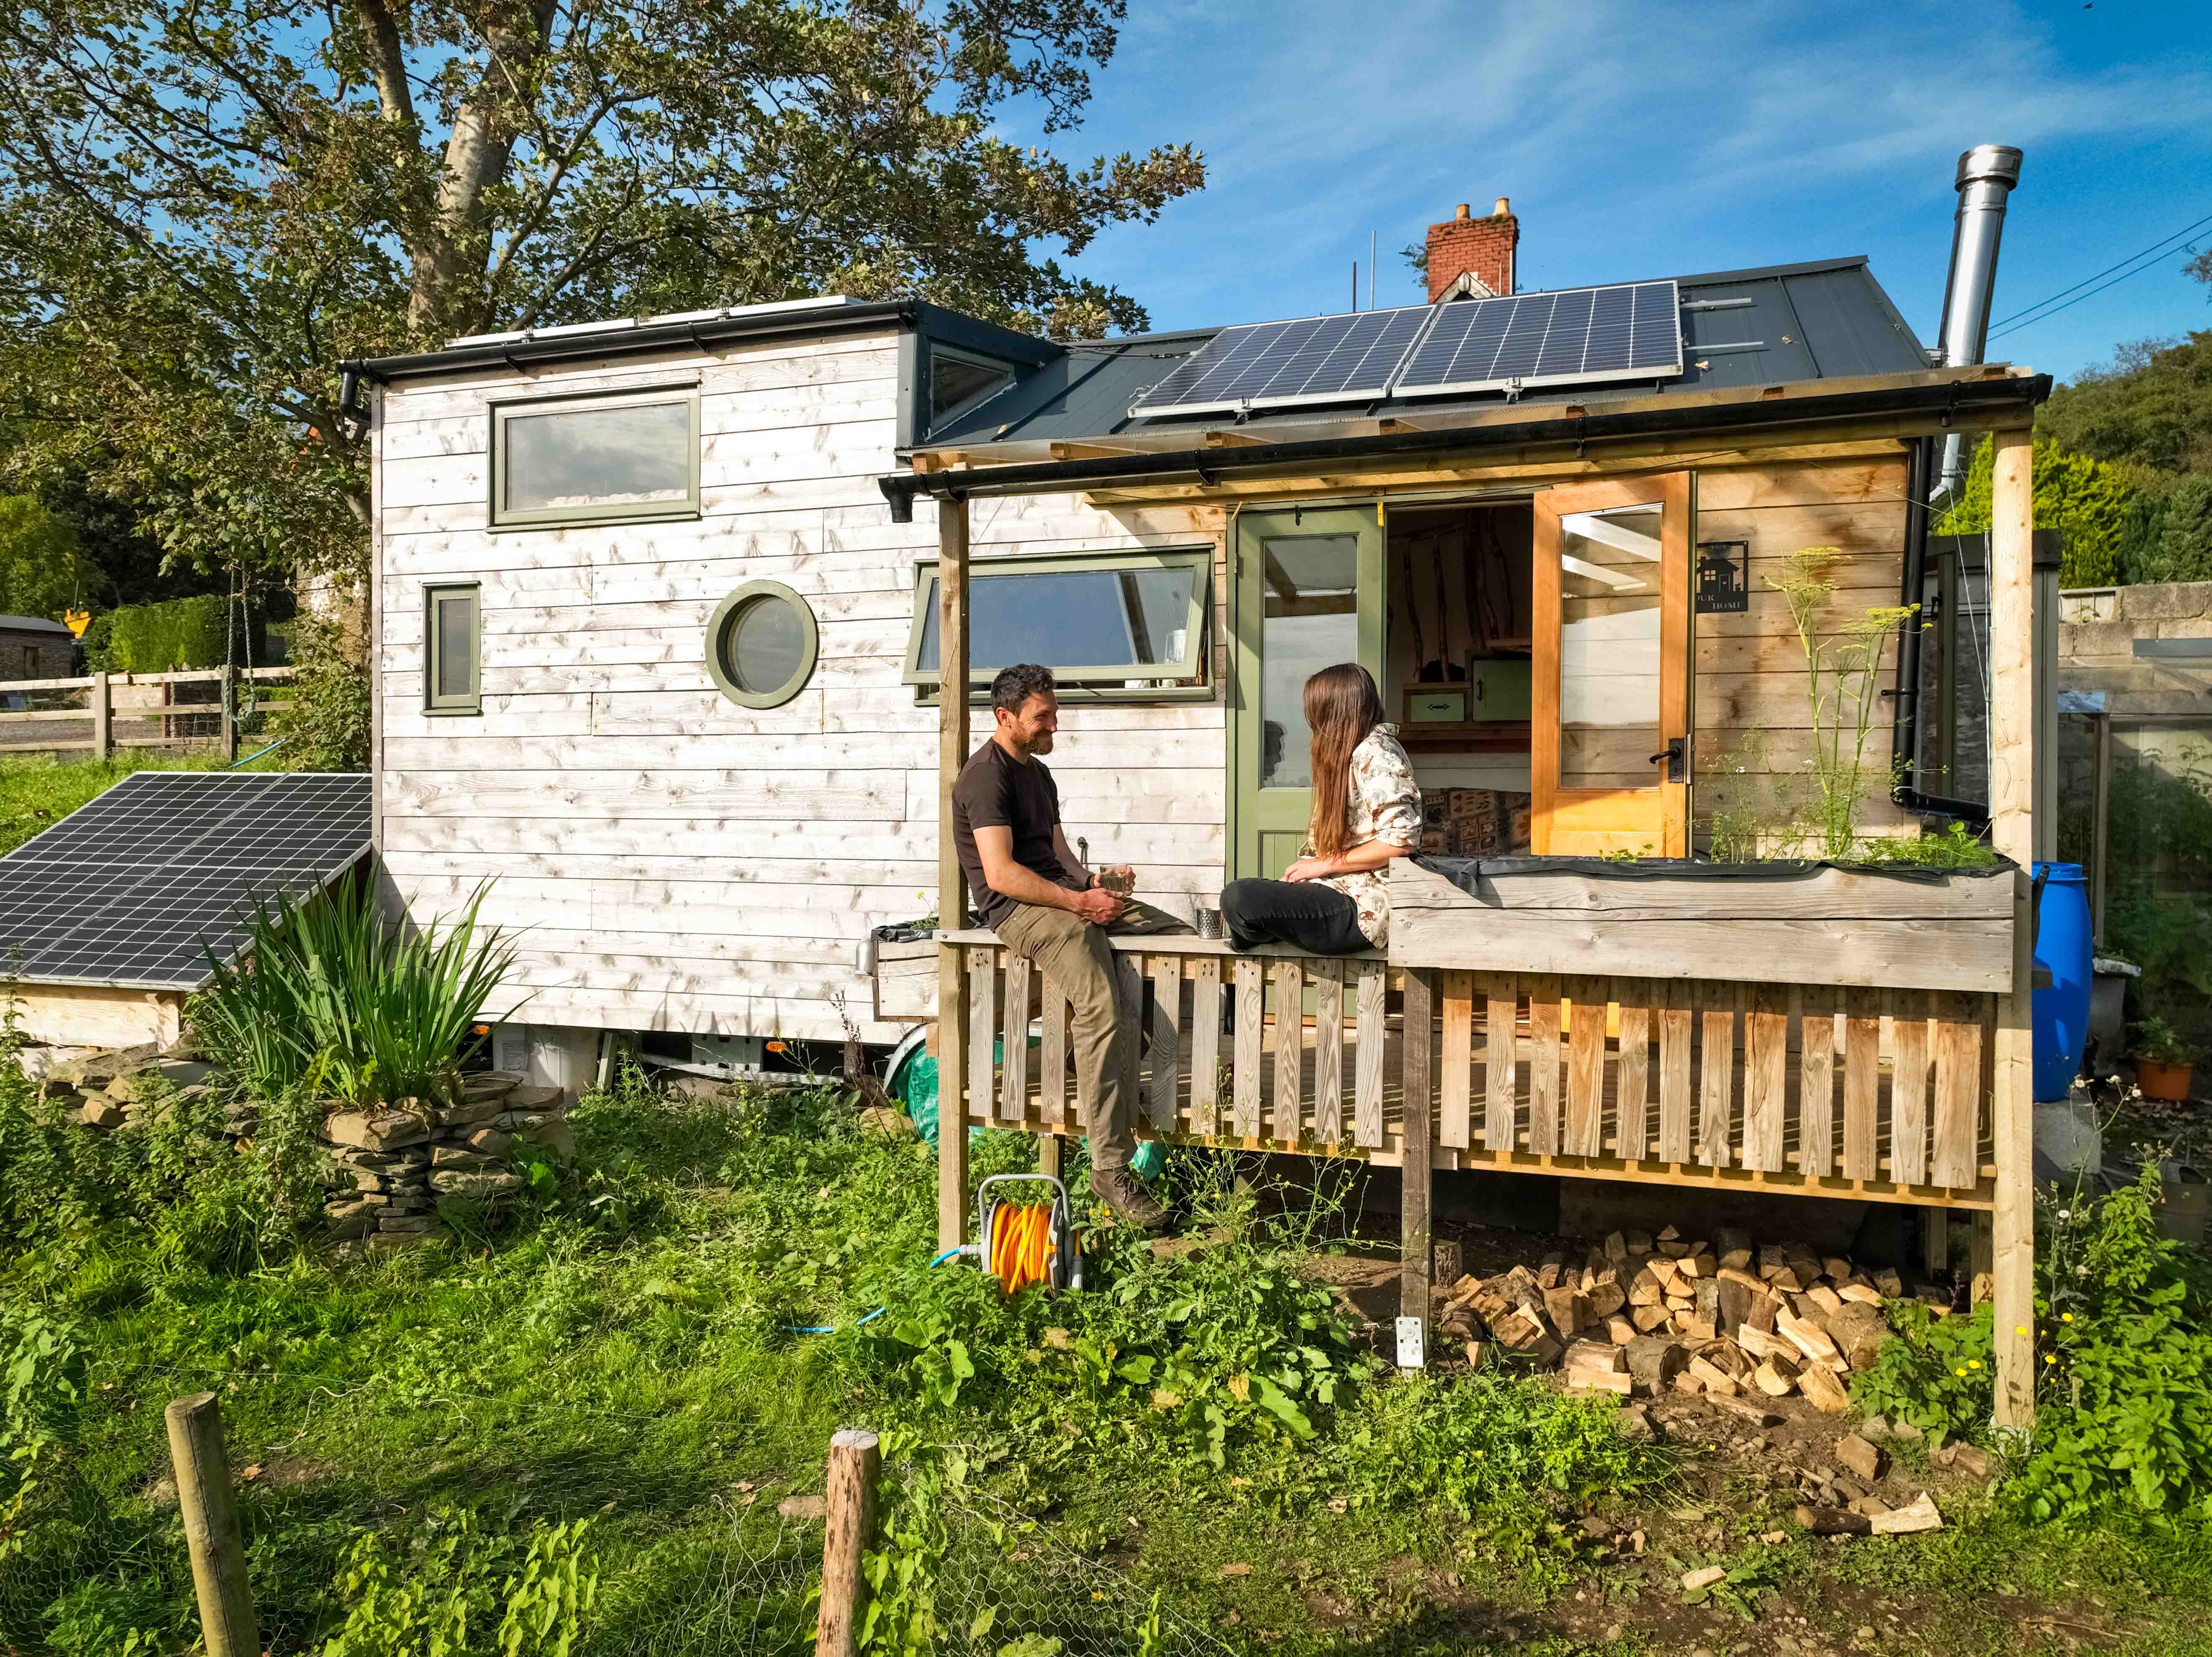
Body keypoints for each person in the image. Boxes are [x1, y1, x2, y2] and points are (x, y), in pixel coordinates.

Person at [951, 663, 1190, 1232]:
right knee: (1102, 1005)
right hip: (1017, 910)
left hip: (1058, 895)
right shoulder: (984, 778)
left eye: (1055, 712)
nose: (1055, 724)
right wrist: (1078, 906)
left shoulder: (1039, 775)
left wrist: (1098, 884)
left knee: (1179, 936)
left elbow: (1060, 857)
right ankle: (1110, 1165)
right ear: (1005, 717)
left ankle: (1162, 1085)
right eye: (1044, 716)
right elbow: (1002, 875)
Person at [1220, 663, 1421, 953]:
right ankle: (1258, 934)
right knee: (1247, 900)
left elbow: (1400, 843)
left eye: (1316, 713)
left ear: (1335, 712)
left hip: (1365, 906)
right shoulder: (1356, 753)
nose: (1313, 723)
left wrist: (1322, 864)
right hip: (1339, 890)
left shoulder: (1376, 752)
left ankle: (1255, 936)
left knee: (1239, 897)